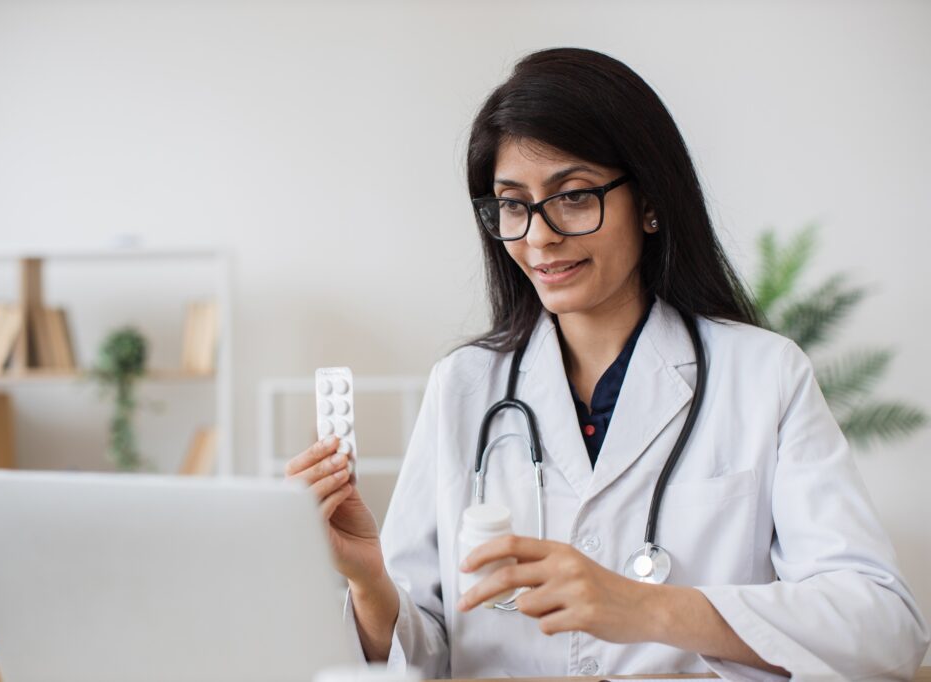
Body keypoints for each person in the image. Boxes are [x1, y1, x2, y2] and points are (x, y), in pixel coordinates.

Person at [285, 48, 930, 680]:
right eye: (513, 204)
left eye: (572, 196)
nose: (539, 237)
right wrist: (369, 580)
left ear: (649, 201)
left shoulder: (764, 377)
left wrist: (644, 608)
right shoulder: (463, 388)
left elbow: (884, 628)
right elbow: (423, 657)